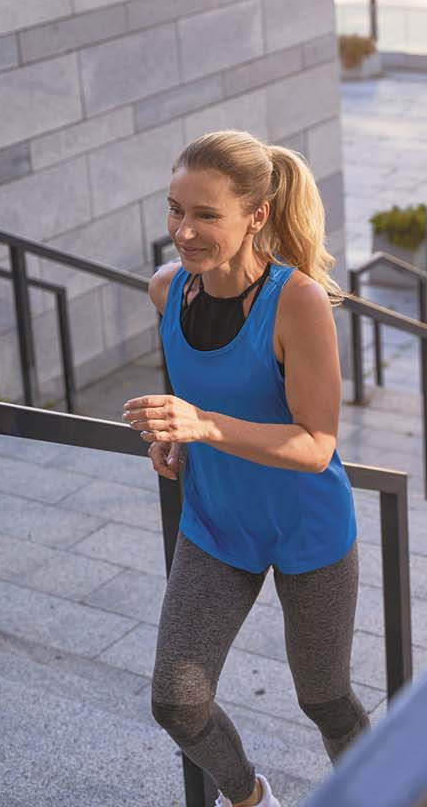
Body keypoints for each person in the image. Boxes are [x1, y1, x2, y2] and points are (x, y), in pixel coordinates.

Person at [124, 130, 368, 807]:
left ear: (257, 215)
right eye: (176, 209)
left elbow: (316, 444)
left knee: (325, 698)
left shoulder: (297, 303)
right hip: (217, 523)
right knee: (177, 701)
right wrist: (174, 438)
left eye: (206, 215)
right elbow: (203, 392)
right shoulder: (167, 290)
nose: (183, 231)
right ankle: (251, 798)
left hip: (307, 530)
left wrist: (201, 424)